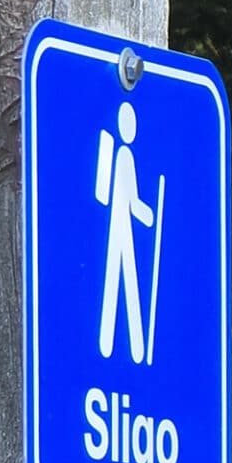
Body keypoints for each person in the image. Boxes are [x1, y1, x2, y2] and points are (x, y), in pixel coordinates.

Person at [95, 100, 155, 363]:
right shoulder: (111, 149)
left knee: (127, 283)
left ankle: (134, 350)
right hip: (117, 228)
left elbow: (130, 199)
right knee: (116, 283)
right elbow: (104, 193)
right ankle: (110, 345)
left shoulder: (126, 156)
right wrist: (146, 213)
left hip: (125, 230)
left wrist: (146, 213)